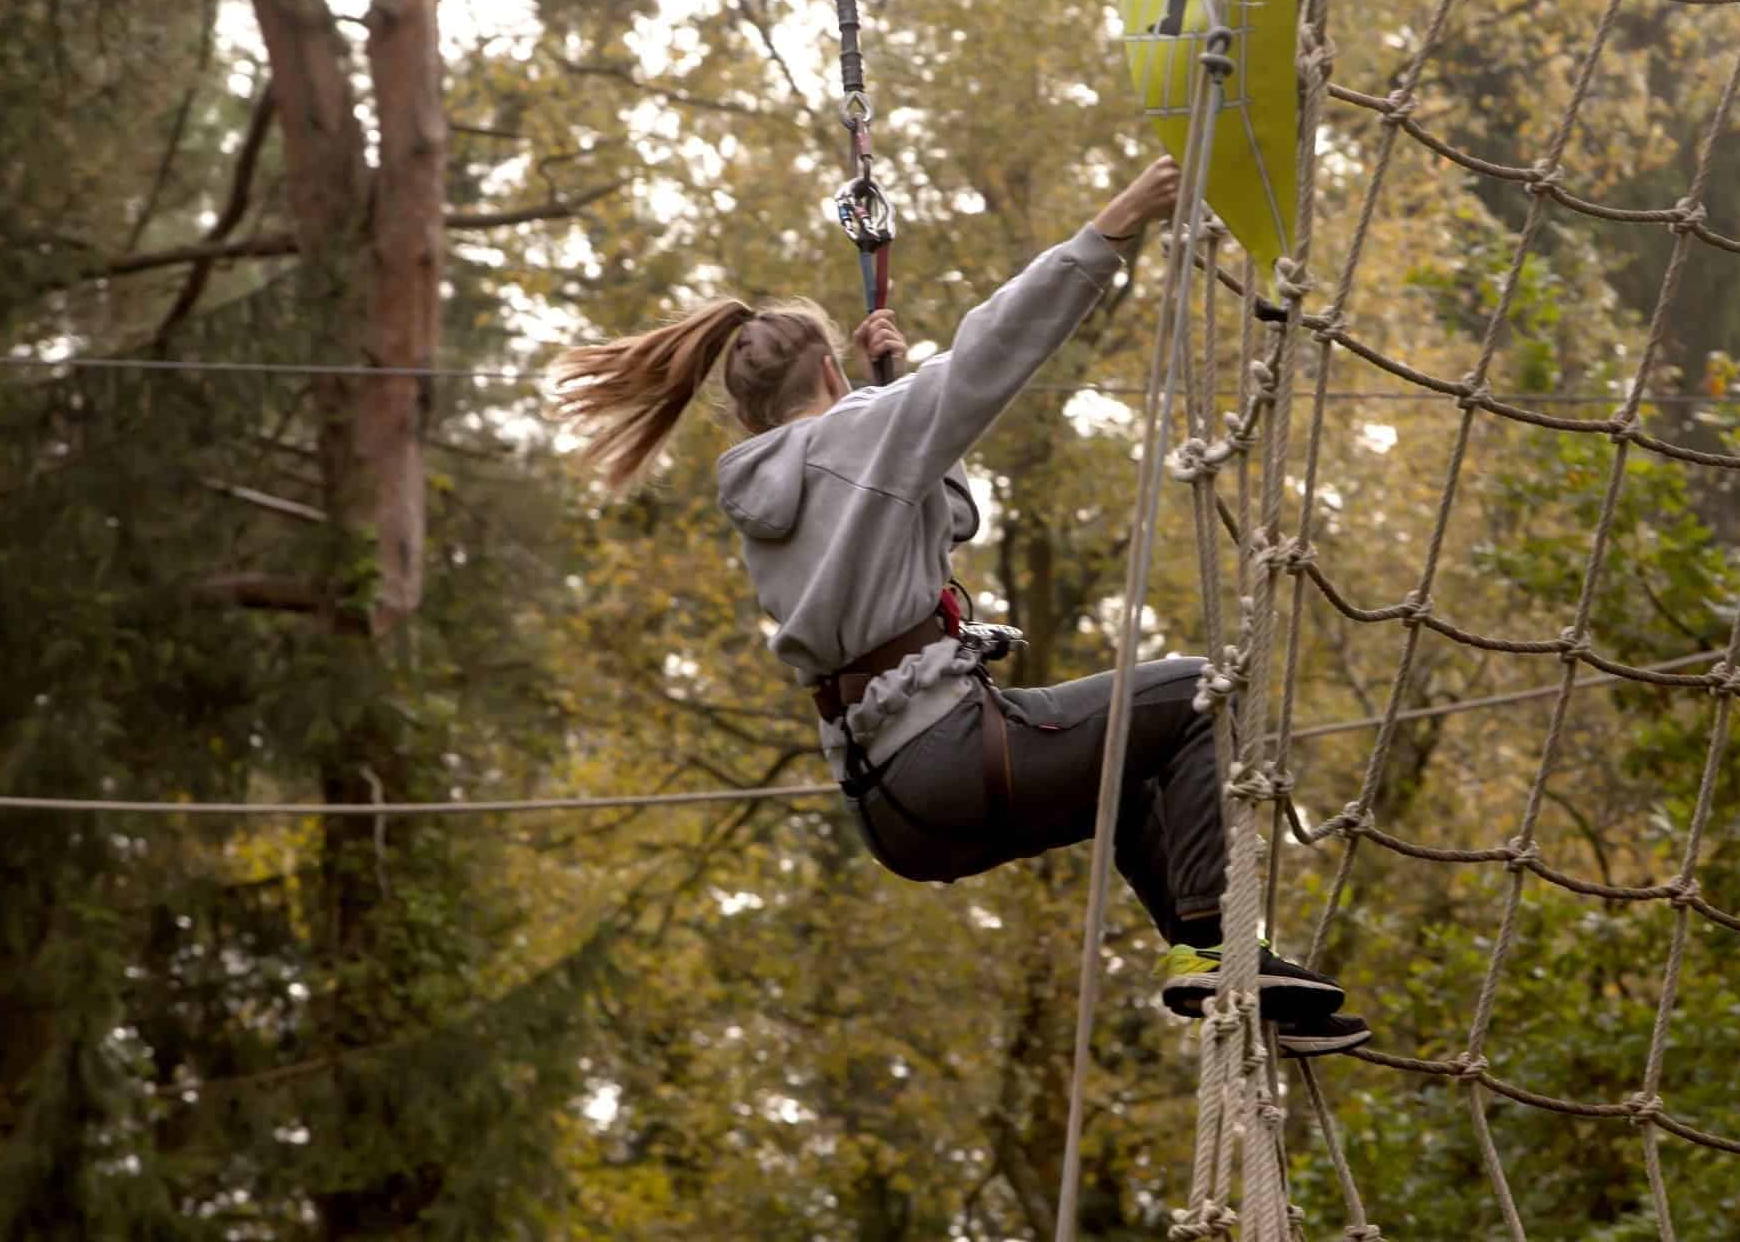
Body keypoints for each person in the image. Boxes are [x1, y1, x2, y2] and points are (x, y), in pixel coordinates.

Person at [551, 156, 1367, 1056]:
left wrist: (890, 395)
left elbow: (953, 516)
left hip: (893, 811)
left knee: (1133, 777)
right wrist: (1116, 223)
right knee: (1202, 694)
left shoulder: (765, 496)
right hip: (953, 754)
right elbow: (994, 348)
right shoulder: (865, 434)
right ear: (829, 368)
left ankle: (1218, 963)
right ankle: (1217, 943)